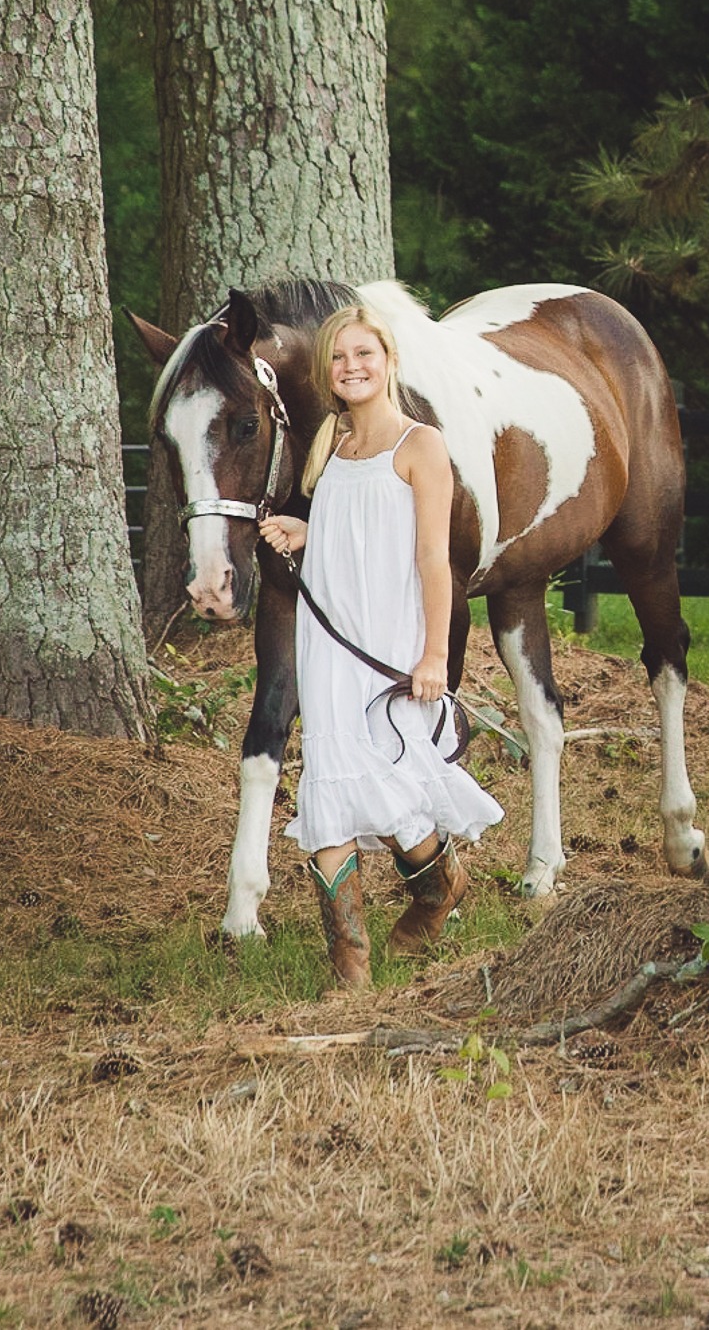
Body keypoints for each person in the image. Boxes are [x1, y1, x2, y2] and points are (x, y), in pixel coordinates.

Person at [259, 301, 503, 989]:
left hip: (390, 639)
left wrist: (432, 654)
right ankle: (351, 967)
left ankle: (439, 886)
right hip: (329, 641)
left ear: (389, 360)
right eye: (339, 357)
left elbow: (430, 556)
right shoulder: (332, 444)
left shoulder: (420, 445)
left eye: (364, 354)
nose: (351, 367)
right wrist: (307, 532)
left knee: (393, 790)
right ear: (329, 373)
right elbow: (352, 526)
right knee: (330, 784)